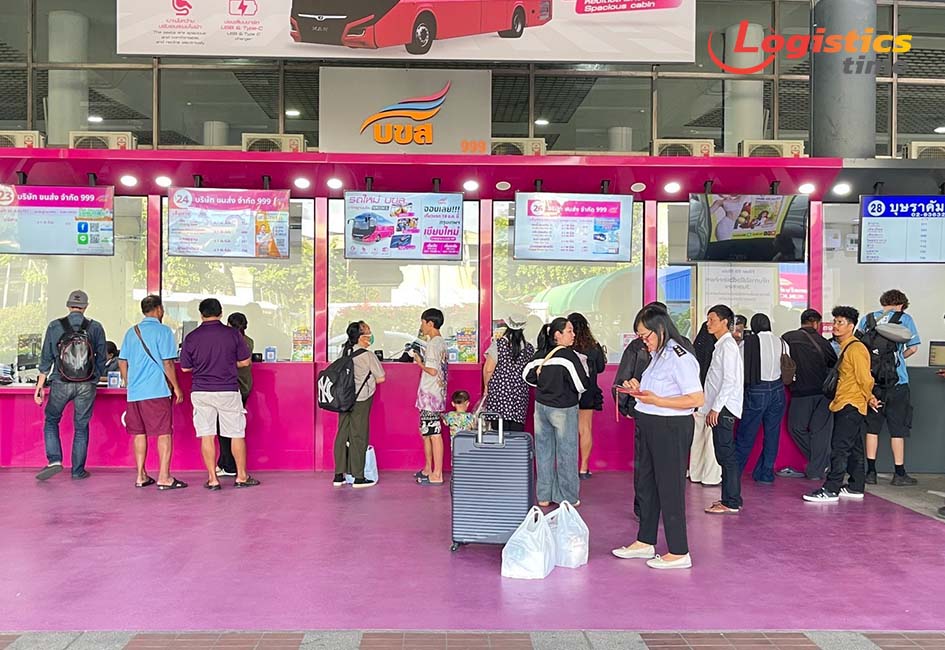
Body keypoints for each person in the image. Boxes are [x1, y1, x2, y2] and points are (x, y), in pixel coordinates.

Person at [611, 305, 704, 570]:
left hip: (670, 427)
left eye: (645, 335)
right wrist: (638, 389)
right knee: (647, 485)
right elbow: (659, 390)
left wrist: (658, 400)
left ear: (660, 328)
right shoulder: (657, 355)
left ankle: (679, 551)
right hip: (649, 423)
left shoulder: (679, 356)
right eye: (640, 337)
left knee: (670, 488)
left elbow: (696, 398)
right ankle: (645, 540)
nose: (644, 341)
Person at [180, 298, 259, 491]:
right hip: (227, 390)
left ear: (201, 314)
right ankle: (241, 476)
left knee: (207, 435)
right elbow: (245, 362)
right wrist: (227, 363)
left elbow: (185, 368)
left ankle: (213, 479)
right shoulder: (232, 334)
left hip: (201, 391)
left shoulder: (192, 337)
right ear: (221, 313)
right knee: (236, 434)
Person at [804, 306, 879, 502]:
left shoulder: (856, 349)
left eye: (840, 322)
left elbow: (865, 378)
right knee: (854, 448)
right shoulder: (847, 346)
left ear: (851, 326)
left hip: (850, 404)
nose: (835, 326)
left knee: (839, 447)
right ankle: (856, 486)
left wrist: (869, 396)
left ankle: (831, 488)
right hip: (847, 402)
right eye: (835, 321)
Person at [34, 290, 107, 481]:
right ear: (86, 307)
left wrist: (39, 386)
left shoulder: (54, 326)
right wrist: (94, 377)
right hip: (86, 385)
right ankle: (77, 471)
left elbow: (46, 359)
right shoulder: (95, 327)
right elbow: (102, 357)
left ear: (68, 306)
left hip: (61, 381)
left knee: (51, 420)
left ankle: (54, 460)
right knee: (81, 427)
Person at [118, 294, 186, 490]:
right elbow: (168, 363)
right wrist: (176, 387)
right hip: (156, 391)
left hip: (135, 393)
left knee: (139, 433)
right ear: (158, 309)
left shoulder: (132, 332)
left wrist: (129, 382)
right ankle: (164, 477)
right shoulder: (164, 331)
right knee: (164, 433)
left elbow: (122, 361)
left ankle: (141, 475)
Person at [523, 317, 590, 508]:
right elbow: (582, 385)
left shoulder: (540, 354)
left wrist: (544, 385)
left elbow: (526, 376)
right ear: (557, 335)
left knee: (543, 451)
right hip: (564, 410)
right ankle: (568, 497)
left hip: (541, 409)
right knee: (566, 452)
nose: (573, 334)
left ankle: (544, 496)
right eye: (569, 331)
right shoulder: (568, 356)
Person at [857, 290, 921, 486]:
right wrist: (898, 360)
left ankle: (871, 473)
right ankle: (899, 474)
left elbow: (859, 348)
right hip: (897, 383)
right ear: (901, 304)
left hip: (873, 384)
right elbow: (913, 347)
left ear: (884, 302)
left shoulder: (868, 319)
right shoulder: (905, 319)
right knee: (897, 430)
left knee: (872, 429)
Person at [614, 302, 668, 519]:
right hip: (672, 416)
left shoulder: (638, 346)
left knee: (645, 463)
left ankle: (644, 509)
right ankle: (666, 508)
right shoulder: (682, 346)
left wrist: (625, 406)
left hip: (646, 413)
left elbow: (622, 379)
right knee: (668, 465)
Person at [780, 309, 838, 480]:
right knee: (820, 433)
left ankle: (818, 467)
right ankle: (819, 466)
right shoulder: (823, 342)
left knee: (795, 428)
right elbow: (834, 364)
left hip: (799, 393)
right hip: (823, 394)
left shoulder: (788, 338)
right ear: (816, 323)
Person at [701, 305, 744, 515]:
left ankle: (731, 501)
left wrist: (716, 408)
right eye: (708, 319)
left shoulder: (728, 346)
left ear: (724, 322)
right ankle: (730, 497)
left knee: (726, 455)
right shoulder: (722, 345)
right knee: (724, 454)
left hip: (724, 408)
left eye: (712, 320)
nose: (708, 323)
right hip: (720, 406)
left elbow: (729, 381)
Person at [332, 320, 385, 489]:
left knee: (342, 434)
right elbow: (381, 378)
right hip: (361, 399)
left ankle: (338, 475)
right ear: (361, 337)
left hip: (343, 400)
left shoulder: (343, 351)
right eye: (368, 331)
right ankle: (359, 477)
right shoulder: (367, 355)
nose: (370, 334)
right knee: (359, 436)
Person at [736, 313, 788, 484]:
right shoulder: (782, 342)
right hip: (778, 390)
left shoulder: (748, 342)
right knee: (772, 434)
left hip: (757, 390)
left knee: (746, 433)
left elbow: (739, 365)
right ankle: (766, 473)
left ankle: (734, 473)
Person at [215, 313, 254, 477]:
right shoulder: (249, 341)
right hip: (244, 387)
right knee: (231, 426)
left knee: (224, 428)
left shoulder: (230, 341)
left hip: (230, 388)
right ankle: (224, 462)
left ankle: (229, 464)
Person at [569, 312, 606, 480]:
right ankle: (584, 468)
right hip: (588, 391)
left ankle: (568, 467)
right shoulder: (593, 346)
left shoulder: (567, 347)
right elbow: (600, 368)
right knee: (585, 430)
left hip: (568, 392)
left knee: (566, 431)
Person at [482, 314, 534, 431]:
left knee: (499, 432)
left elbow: (489, 369)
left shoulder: (498, 344)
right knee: (516, 432)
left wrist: (486, 385)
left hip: (499, 393)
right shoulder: (529, 348)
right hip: (520, 394)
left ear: (507, 326)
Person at [414, 308, 448, 486]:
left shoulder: (433, 344)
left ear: (430, 323)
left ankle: (437, 474)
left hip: (430, 397)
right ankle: (429, 469)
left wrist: (419, 363)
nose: (421, 326)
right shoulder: (441, 342)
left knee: (434, 434)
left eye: (423, 322)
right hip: (436, 394)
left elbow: (433, 371)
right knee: (427, 432)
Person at [688, 320, 721, 487]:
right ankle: (710, 476)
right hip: (712, 401)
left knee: (697, 440)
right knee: (712, 441)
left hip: (696, 399)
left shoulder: (695, 351)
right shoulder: (718, 350)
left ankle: (695, 473)